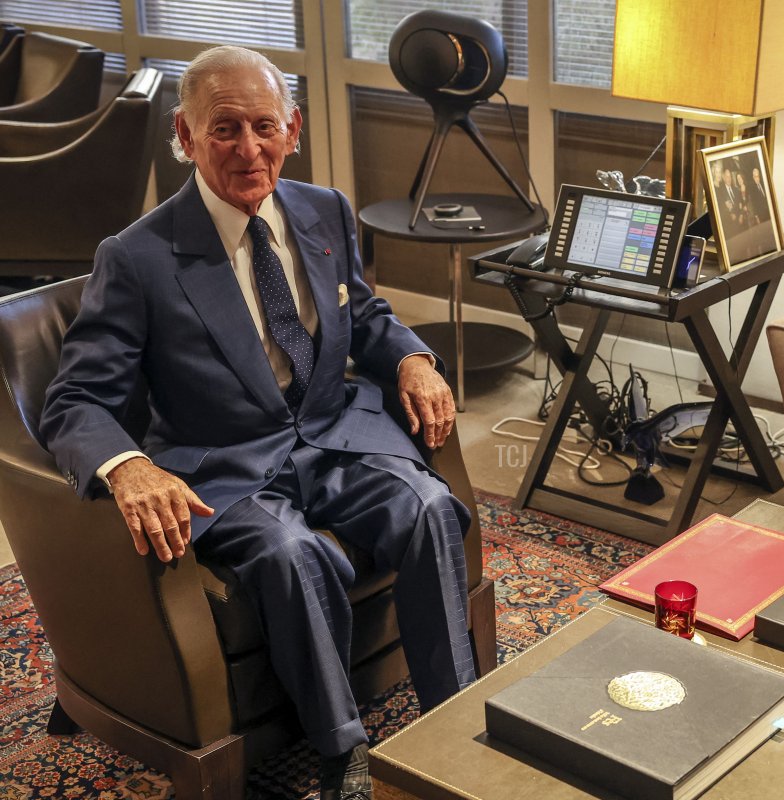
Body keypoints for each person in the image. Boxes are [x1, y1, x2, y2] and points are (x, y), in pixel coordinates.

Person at [40, 45, 476, 800]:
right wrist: (130, 466)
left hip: (335, 435)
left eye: (264, 126)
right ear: (185, 136)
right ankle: (343, 752)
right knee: (289, 553)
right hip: (227, 464)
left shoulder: (324, 210)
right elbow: (74, 398)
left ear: (292, 129)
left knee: (431, 505)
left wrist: (410, 358)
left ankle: (456, 716)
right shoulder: (137, 257)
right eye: (225, 129)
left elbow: (364, 313)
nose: (249, 149)